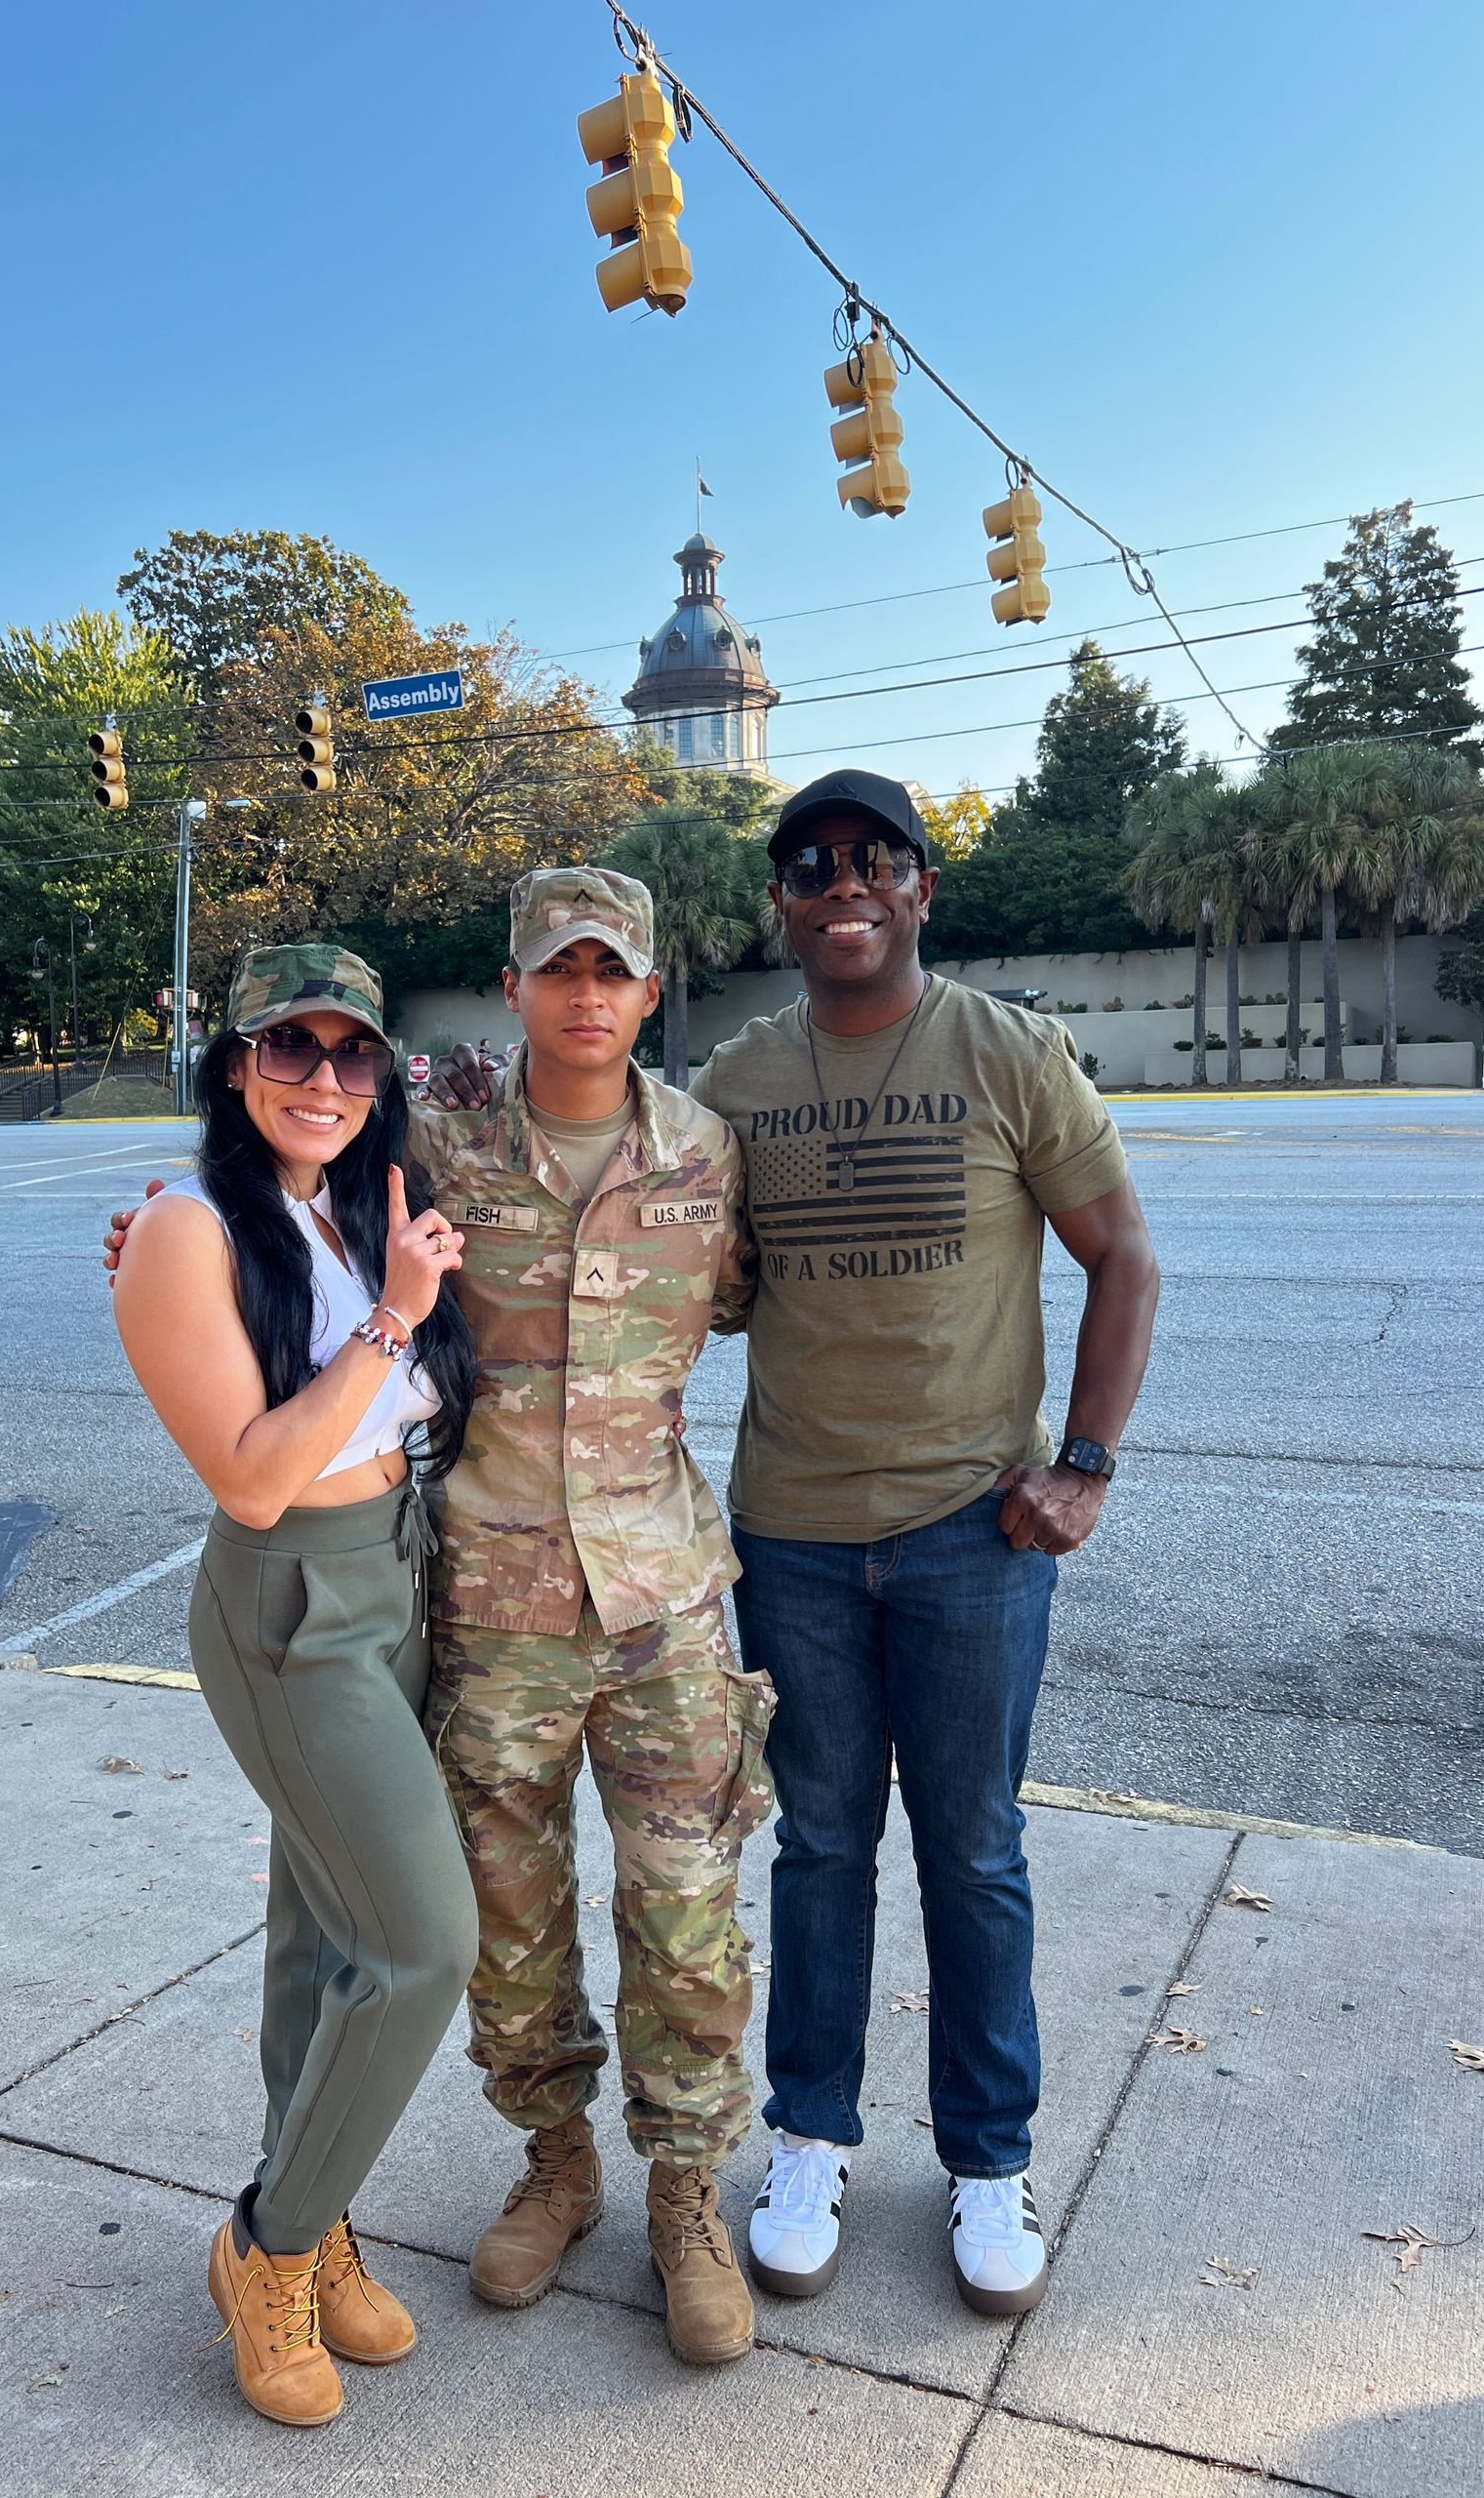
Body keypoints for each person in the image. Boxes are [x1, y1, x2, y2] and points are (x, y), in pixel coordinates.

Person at [432, 770, 1159, 2321]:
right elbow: (319, 1188)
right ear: (779, 903)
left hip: (971, 1534)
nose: (844, 884)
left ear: (918, 885)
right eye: (812, 865)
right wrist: (190, 1222)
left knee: (973, 1853)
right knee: (816, 1851)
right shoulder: (720, 1098)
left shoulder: (999, 1054)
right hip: (790, 1541)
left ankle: (984, 2164)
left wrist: (1082, 1470)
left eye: (874, 860)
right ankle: (800, 2143)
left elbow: (1125, 1260)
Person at [103, 875, 773, 2369]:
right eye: (557, 969)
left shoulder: (706, 1155)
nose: (586, 993)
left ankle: (683, 2197)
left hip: (661, 1597)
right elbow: (257, 1257)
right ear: (514, 986)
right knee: (493, 1932)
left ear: (651, 990)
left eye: (614, 969)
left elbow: (777, 1307)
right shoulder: (440, 1151)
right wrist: (154, 1243)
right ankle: (556, 2168)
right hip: (478, 1603)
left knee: (684, 1913)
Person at [110, 943, 480, 2429]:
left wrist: (393, 1285)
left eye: (352, 1055)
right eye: (291, 1050)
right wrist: (395, 1313)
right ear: (233, 1064)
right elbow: (255, 1480)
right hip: (289, 1607)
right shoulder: (187, 1229)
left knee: (322, 1943)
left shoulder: (350, 1205)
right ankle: (264, 2249)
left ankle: (315, 2219)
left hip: (395, 1580)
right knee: (420, 1944)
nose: (323, 1080)